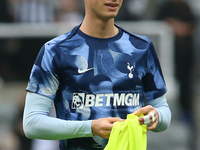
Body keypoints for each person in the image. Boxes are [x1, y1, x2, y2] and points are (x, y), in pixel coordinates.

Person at [23, 0, 172, 150]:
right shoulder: (56, 51)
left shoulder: (141, 48)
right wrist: (91, 127)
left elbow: (163, 112)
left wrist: (156, 116)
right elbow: (32, 124)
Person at [157, 0, 196, 124]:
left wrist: (179, 27)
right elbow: (158, 25)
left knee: (185, 84)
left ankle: (186, 113)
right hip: (166, 55)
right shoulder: (165, 7)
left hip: (185, 55)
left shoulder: (186, 7)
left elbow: (192, 26)